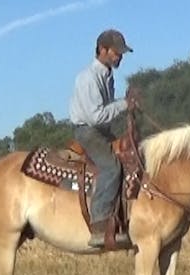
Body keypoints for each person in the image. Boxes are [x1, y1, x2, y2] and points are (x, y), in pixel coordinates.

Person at [69, 29, 139, 247]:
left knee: (130, 153)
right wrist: (123, 105)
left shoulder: (107, 75)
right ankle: (99, 223)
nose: (119, 57)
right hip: (88, 130)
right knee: (111, 167)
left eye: (121, 53)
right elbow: (96, 115)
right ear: (102, 50)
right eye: (116, 53)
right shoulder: (88, 78)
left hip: (100, 129)